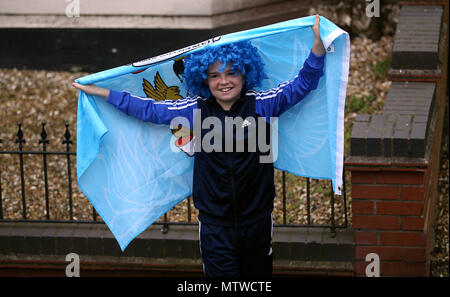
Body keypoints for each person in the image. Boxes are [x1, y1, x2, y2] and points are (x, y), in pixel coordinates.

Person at [72, 15, 325, 277]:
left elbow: (302, 85)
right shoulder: (195, 109)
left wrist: (318, 45)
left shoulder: (262, 104)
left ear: (245, 72)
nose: (223, 81)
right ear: (203, 80)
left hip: (257, 220)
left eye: (231, 73)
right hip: (214, 225)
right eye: (214, 75)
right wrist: (104, 93)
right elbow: (150, 109)